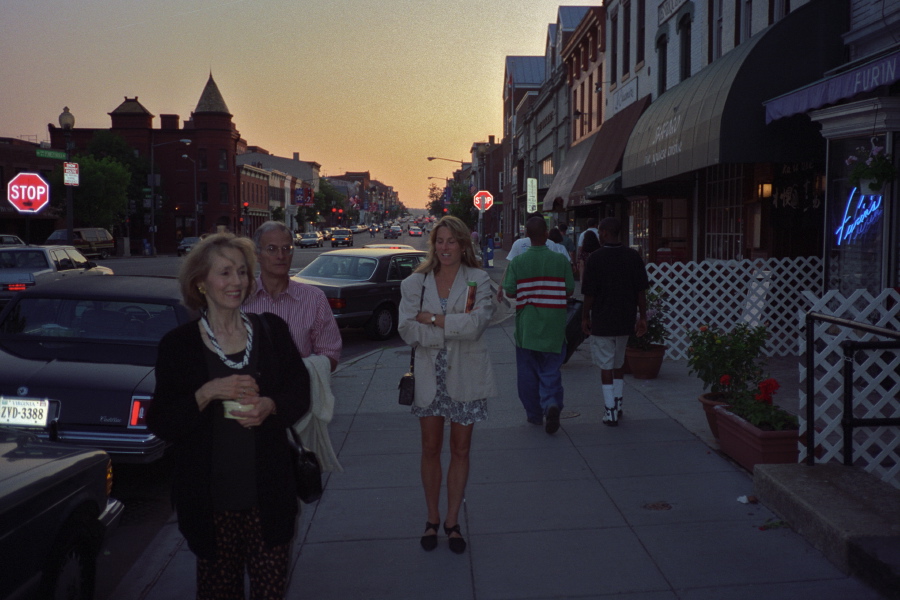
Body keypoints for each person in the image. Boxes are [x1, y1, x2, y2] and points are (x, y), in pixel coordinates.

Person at [147, 233, 310, 599]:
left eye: (242, 272)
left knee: (270, 592)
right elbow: (162, 422)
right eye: (224, 273)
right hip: (210, 505)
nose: (237, 281)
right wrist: (207, 393)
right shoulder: (179, 346)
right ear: (200, 283)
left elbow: (300, 393)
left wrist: (270, 406)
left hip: (269, 500)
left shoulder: (271, 331)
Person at [398, 215, 496, 555]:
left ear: (463, 244)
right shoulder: (415, 283)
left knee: (461, 450)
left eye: (451, 241)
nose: (445, 247)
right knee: (430, 448)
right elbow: (407, 329)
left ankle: (453, 522)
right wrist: (451, 329)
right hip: (429, 375)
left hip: (466, 374)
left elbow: (477, 325)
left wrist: (433, 320)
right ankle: (432, 518)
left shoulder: (478, 280)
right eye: (439, 241)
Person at [502, 216, 574, 434]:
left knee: (527, 373)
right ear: (546, 234)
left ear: (527, 236)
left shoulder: (518, 262)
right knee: (550, 368)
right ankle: (551, 402)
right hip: (554, 324)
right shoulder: (560, 260)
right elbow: (569, 289)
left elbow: (509, 291)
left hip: (527, 327)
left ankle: (534, 414)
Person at [244, 221, 341, 371]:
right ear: (257, 255)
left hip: (298, 384)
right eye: (272, 249)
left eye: (286, 248)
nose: (281, 256)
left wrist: (295, 370)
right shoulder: (241, 298)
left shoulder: (314, 299)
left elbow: (331, 354)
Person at [580, 217, 649, 426]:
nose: (599, 236)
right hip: (625, 317)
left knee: (606, 365)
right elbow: (641, 291)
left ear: (605, 232)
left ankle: (609, 410)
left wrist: (585, 316)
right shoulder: (633, 256)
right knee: (619, 363)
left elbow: (589, 293)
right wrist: (642, 317)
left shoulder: (595, 258)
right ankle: (618, 404)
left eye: (600, 232)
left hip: (603, 318)